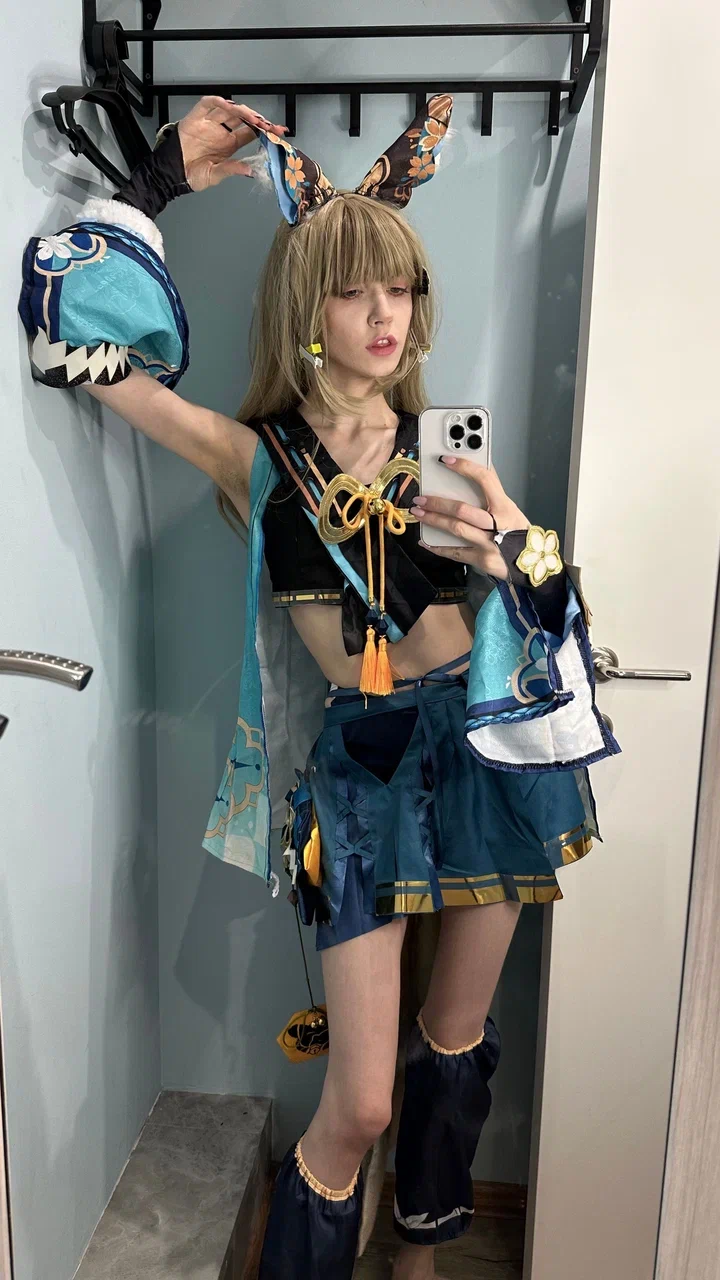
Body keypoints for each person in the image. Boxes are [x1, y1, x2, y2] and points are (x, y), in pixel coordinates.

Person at [19, 94, 619, 1279]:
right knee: (360, 1100)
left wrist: (507, 534)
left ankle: (422, 1245)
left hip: (482, 753)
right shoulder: (258, 457)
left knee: (455, 1038)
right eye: (353, 290)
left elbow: (550, 614)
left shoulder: (444, 446)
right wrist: (154, 181)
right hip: (364, 771)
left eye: (400, 287)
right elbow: (79, 352)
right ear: (309, 307)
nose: (384, 313)